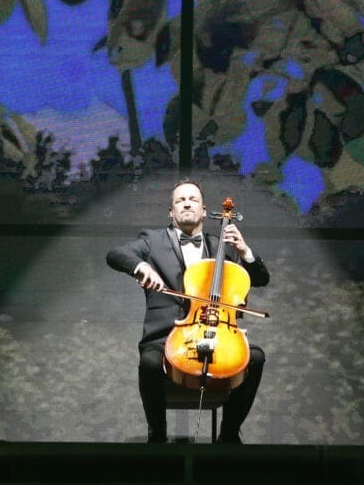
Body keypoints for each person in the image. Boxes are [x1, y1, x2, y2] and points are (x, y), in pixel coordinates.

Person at [106, 180, 270, 444]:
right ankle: (157, 435)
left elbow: (260, 279)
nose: (186, 204)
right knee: (149, 363)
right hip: (164, 338)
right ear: (171, 212)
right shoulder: (152, 241)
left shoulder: (220, 247)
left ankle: (229, 434)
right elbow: (116, 254)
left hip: (217, 336)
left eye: (192, 199)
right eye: (180, 200)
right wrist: (141, 267)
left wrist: (245, 251)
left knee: (255, 358)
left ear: (204, 211)